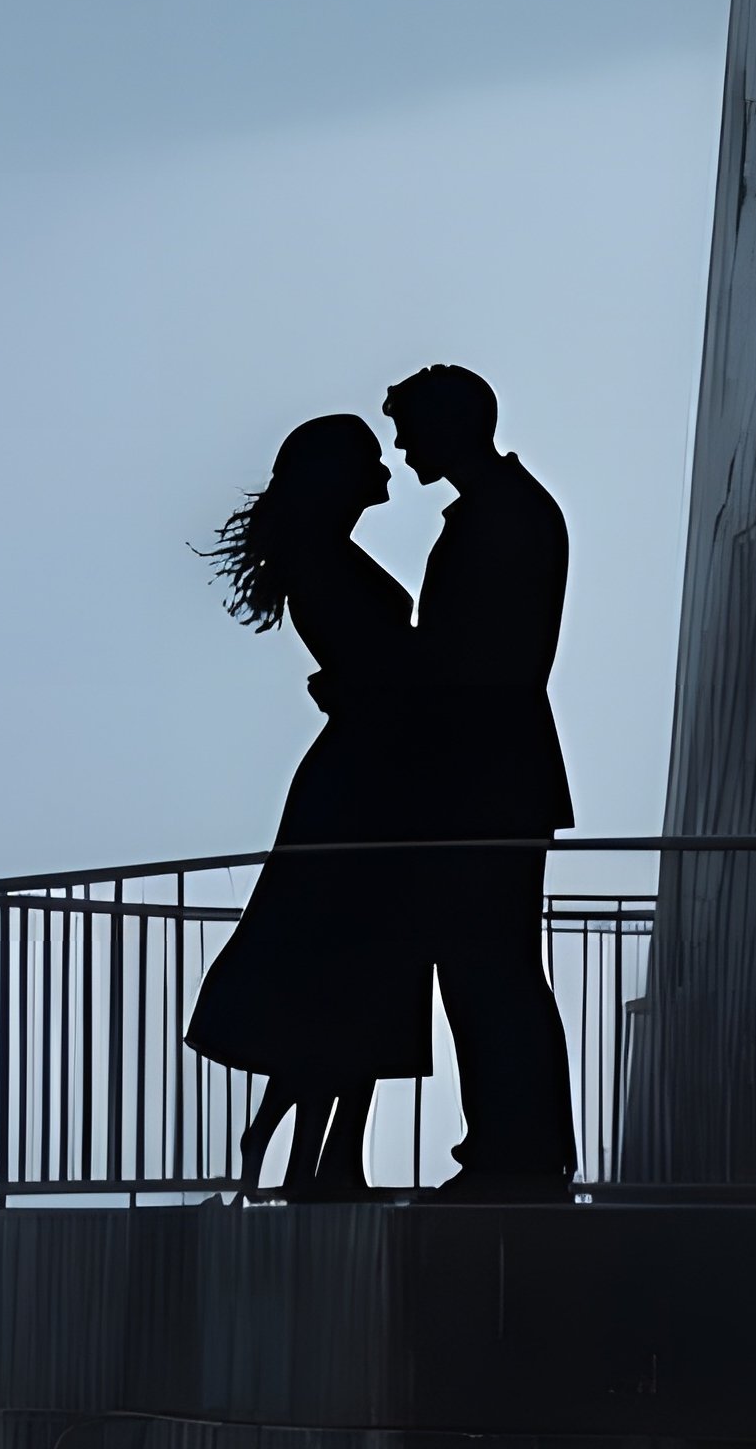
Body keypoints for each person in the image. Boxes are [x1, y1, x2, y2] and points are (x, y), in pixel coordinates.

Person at [185, 414, 432, 1194]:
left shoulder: (326, 558)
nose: (385, 464)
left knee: (359, 971)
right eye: (368, 456)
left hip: (372, 774)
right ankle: (319, 1163)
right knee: (353, 969)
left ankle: (318, 1157)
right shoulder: (324, 563)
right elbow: (382, 666)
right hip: (364, 781)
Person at [384, 364, 577, 1194]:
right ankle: (514, 1145)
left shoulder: (501, 518)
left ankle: (515, 1150)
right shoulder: (509, 511)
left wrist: (396, 672)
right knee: (491, 967)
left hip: (485, 779)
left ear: (452, 426)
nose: (400, 445)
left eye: (411, 427)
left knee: (488, 967)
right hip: (493, 776)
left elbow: (480, 658)